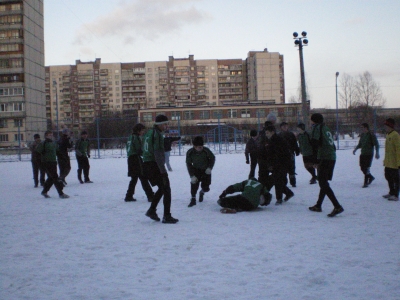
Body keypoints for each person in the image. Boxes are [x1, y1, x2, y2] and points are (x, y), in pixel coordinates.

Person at [142, 114, 179, 224]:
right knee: (166, 188)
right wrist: (162, 170)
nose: (166, 126)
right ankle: (166, 216)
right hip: (154, 165)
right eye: (165, 124)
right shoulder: (157, 134)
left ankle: (152, 210)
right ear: (160, 124)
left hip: (147, 164)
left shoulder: (148, 133)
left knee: (162, 188)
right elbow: (157, 153)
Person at [308, 113, 344, 217]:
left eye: (311, 120)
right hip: (331, 157)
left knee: (323, 183)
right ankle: (318, 205)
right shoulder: (326, 127)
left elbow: (315, 144)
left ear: (314, 121)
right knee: (323, 182)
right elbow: (331, 144)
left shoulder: (317, 128)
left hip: (324, 157)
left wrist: (315, 161)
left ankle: (337, 206)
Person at [264, 125, 294, 205]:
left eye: (267, 133)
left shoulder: (276, 140)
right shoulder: (273, 140)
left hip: (280, 164)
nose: (266, 134)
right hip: (279, 164)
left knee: (277, 180)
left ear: (272, 132)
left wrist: (273, 163)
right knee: (277, 180)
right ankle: (288, 193)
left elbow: (278, 153)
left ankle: (279, 198)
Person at [125, 123, 154, 202]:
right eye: (142, 130)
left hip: (130, 159)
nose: (143, 132)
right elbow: (139, 149)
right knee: (143, 177)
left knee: (134, 178)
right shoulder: (136, 138)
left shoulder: (130, 137)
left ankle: (129, 195)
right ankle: (150, 196)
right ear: (138, 131)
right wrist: (145, 154)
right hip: (136, 159)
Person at [36, 131, 69, 199]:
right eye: (49, 135)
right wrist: (40, 163)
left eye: (51, 135)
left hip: (53, 162)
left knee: (51, 178)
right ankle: (61, 193)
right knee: (55, 177)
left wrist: (64, 159)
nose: (51, 136)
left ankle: (44, 191)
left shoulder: (54, 143)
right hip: (46, 162)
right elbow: (37, 153)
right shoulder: (43, 144)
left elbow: (58, 152)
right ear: (46, 136)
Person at [186, 136, 216, 207]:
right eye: (199, 147)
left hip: (206, 171)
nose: (201, 148)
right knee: (194, 184)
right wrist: (192, 175)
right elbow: (189, 164)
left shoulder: (206, 150)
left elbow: (212, 158)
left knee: (206, 188)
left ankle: (202, 192)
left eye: (202, 146)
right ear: (194, 146)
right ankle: (193, 199)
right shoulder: (190, 152)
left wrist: (209, 168)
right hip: (196, 170)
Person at [353, 123, 380, 188]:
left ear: (366, 128)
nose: (362, 129)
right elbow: (360, 144)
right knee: (362, 167)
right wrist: (355, 149)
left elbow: (376, 144)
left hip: (369, 154)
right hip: (363, 154)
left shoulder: (371, 135)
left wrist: (377, 153)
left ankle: (366, 183)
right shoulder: (362, 135)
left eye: (362, 127)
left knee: (366, 168)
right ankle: (370, 177)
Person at [382, 118, 400, 201]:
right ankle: (391, 192)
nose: (385, 127)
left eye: (386, 125)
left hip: (394, 163)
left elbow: (398, 149)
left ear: (390, 126)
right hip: (388, 162)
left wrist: (399, 162)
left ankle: (396, 195)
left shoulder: (395, 135)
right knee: (388, 176)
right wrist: (385, 161)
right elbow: (387, 150)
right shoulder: (388, 135)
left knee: (395, 179)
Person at [279, 122, 300, 187]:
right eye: (283, 126)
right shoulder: (279, 135)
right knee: (283, 169)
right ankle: (284, 182)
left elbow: (295, 143)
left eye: (286, 126)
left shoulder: (291, 134)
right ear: (281, 127)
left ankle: (293, 182)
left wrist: (297, 150)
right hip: (282, 155)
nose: (285, 127)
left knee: (292, 168)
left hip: (291, 154)